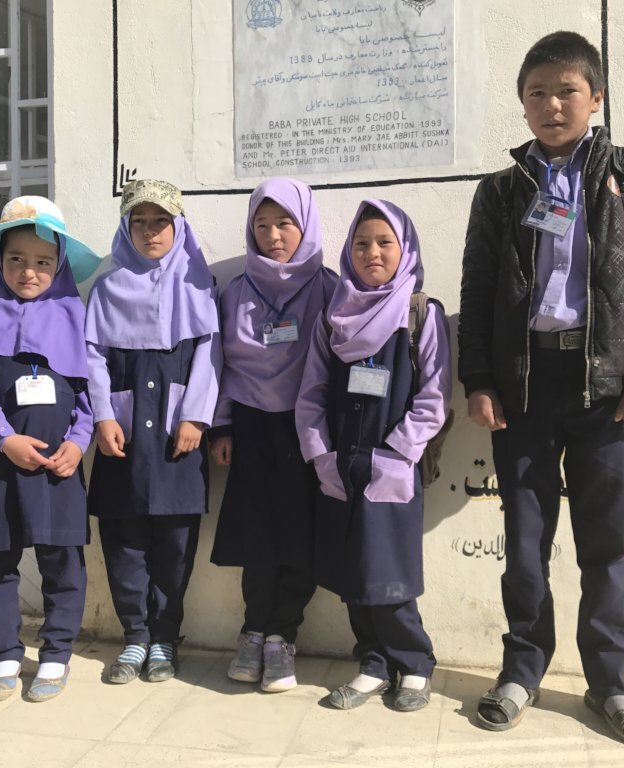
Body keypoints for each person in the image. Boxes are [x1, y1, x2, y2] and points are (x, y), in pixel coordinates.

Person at [458, 31, 624, 747]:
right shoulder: (501, 192)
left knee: (603, 548)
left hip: (608, 389)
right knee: (524, 546)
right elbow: (478, 287)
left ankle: (609, 683)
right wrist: (479, 380)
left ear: (597, 97)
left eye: (566, 91)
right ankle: (522, 670)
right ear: (523, 106)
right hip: (525, 389)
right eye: (537, 93)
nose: (552, 105)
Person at [295, 200, 452, 712]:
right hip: (341, 464)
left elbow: (435, 395)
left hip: (391, 466)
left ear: (404, 249)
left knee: (389, 572)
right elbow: (312, 393)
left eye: (385, 242)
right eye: (362, 243)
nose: (372, 252)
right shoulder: (334, 314)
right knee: (350, 571)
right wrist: (321, 456)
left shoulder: (420, 312)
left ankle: (415, 663)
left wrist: (398, 455)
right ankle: (373, 664)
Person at [0, 195, 102, 702]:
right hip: (0, 463)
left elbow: (88, 397)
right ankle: (6, 654)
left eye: (42, 262)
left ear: (59, 264)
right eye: (16, 259)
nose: (29, 272)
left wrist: (78, 445)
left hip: (59, 467)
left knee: (63, 559)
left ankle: (57, 653)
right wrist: (5, 438)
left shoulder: (72, 316)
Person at [86, 179, 220, 684]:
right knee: (123, 543)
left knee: (174, 545)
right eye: (138, 222)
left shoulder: (196, 283)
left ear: (177, 224)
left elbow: (210, 354)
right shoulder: (107, 285)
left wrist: (195, 416)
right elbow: (93, 356)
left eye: (159, 221)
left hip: (175, 436)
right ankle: (135, 638)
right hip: (122, 434)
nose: (149, 232)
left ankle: (165, 637)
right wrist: (102, 416)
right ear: (126, 227)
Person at [209, 178, 337, 692]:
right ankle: (254, 630)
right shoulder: (236, 291)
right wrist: (220, 423)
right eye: (262, 225)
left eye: (285, 223)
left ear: (305, 225)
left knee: (298, 533)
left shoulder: (328, 287)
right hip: (252, 426)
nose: (273, 235)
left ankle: (284, 636)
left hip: (308, 425)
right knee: (256, 533)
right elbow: (219, 364)